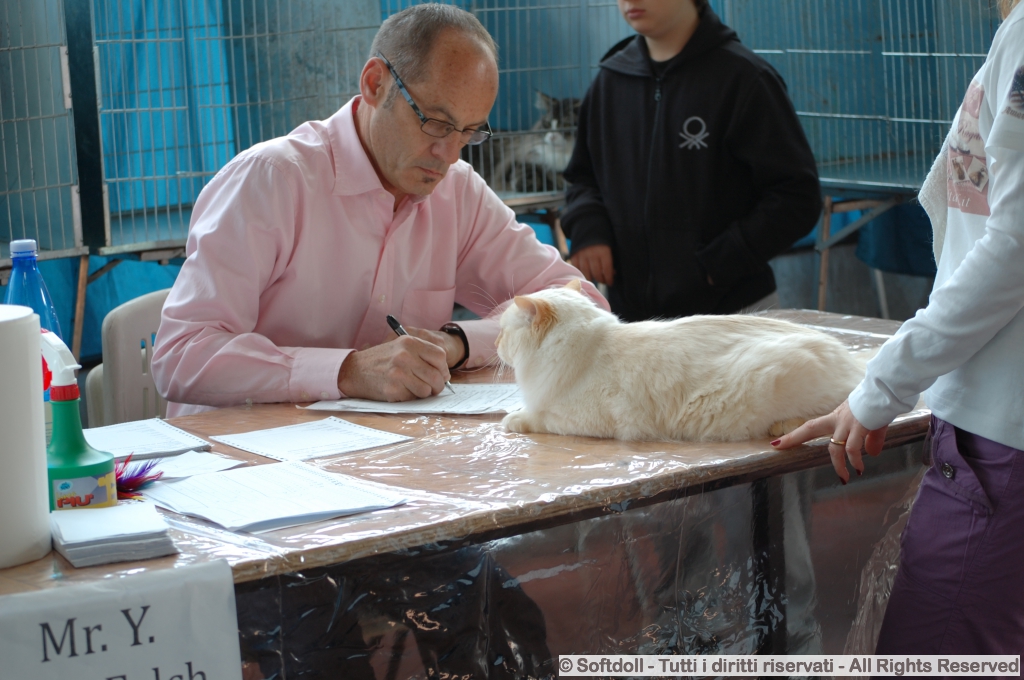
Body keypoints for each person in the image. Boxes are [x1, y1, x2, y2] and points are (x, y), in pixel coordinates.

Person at [152, 4, 606, 417]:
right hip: (241, 459)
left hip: (377, 456)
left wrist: (457, 343)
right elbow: (181, 354)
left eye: (468, 132)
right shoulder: (270, 180)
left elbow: (579, 303)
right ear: (375, 84)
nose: (448, 154)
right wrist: (347, 371)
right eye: (435, 123)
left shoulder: (457, 190)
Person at [773, 0, 1024, 654]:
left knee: (936, 651)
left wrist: (886, 381)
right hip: (991, 419)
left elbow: (1015, 246)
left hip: (1002, 430)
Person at [561, 0, 821, 321]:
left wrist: (718, 264)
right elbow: (583, 178)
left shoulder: (743, 78)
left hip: (732, 316)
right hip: (633, 323)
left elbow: (796, 196)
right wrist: (589, 230)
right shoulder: (610, 82)